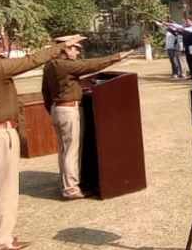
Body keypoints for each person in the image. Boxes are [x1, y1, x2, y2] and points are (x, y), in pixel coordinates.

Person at [0, 30, 83, 250]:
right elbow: (33, 59)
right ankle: (1, 240)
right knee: (5, 189)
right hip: (0, 134)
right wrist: (64, 46)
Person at [41, 42, 132, 199]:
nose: (77, 52)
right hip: (68, 110)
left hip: (58, 109)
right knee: (71, 150)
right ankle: (71, 189)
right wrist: (117, 57)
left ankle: (66, 183)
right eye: (74, 48)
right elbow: (90, 65)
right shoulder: (64, 65)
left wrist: (52, 109)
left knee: (64, 149)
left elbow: (45, 91)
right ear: (64, 49)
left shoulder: (49, 65)